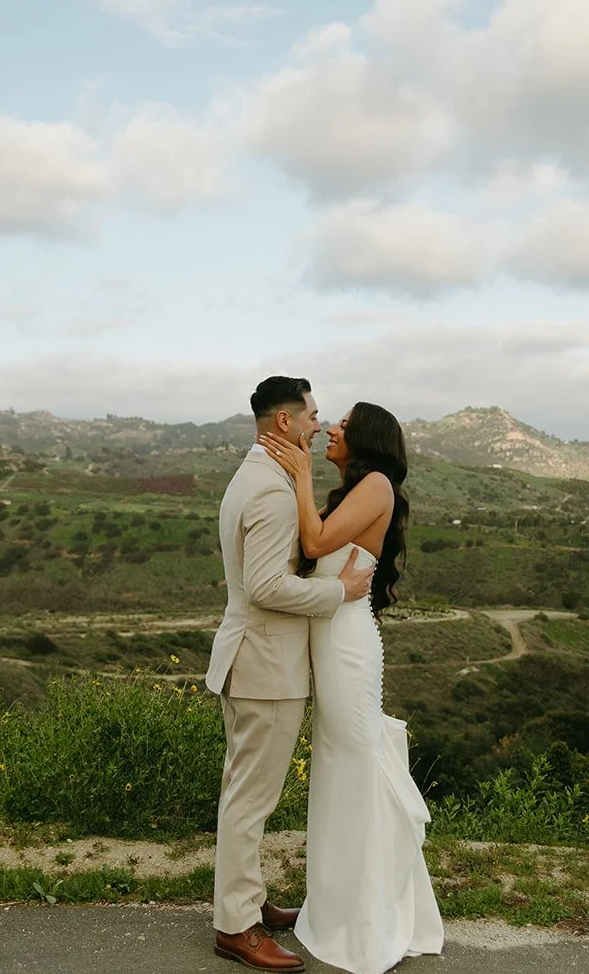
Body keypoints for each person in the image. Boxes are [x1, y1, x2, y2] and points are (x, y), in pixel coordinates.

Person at [258, 401, 444, 974]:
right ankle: (340, 906)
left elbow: (314, 546)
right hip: (330, 638)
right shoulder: (356, 490)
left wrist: (301, 473)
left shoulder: (378, 485)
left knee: (356, 765)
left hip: (346, 645)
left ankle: (370, 914)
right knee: (339, 767)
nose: (331, 428)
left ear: (364, 438)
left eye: (342, 423)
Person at [207, 376, 376, 973]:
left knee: (245, 792)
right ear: (284, 422)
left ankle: (246, 901)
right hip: (265, 665)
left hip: (254, 658)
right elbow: (266, 586)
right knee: (250, 799)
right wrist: (339, 590)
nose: (317, 424)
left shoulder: (256, 475)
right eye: (311, 415)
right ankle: (237, 927)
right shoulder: (273, 490)